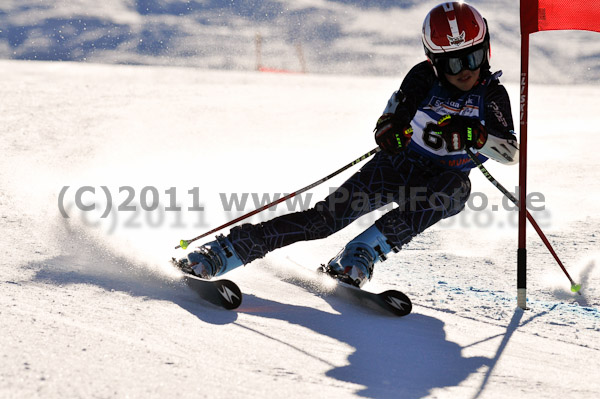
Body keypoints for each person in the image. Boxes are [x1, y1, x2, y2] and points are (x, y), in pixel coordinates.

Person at [173, 2, 519, 288]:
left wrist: (477, 136)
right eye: (453, 63)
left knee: (455, 188)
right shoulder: (422, 77)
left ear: (485, 51)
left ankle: (360, 253)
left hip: (442, 180)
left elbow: (511, 154)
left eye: (472, 58)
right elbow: (393, 116)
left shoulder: (491, 94)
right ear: (433, 61)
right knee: (323, 222)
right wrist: (389, 131)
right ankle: (226, 250)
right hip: (397, 167)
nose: (464, 71)